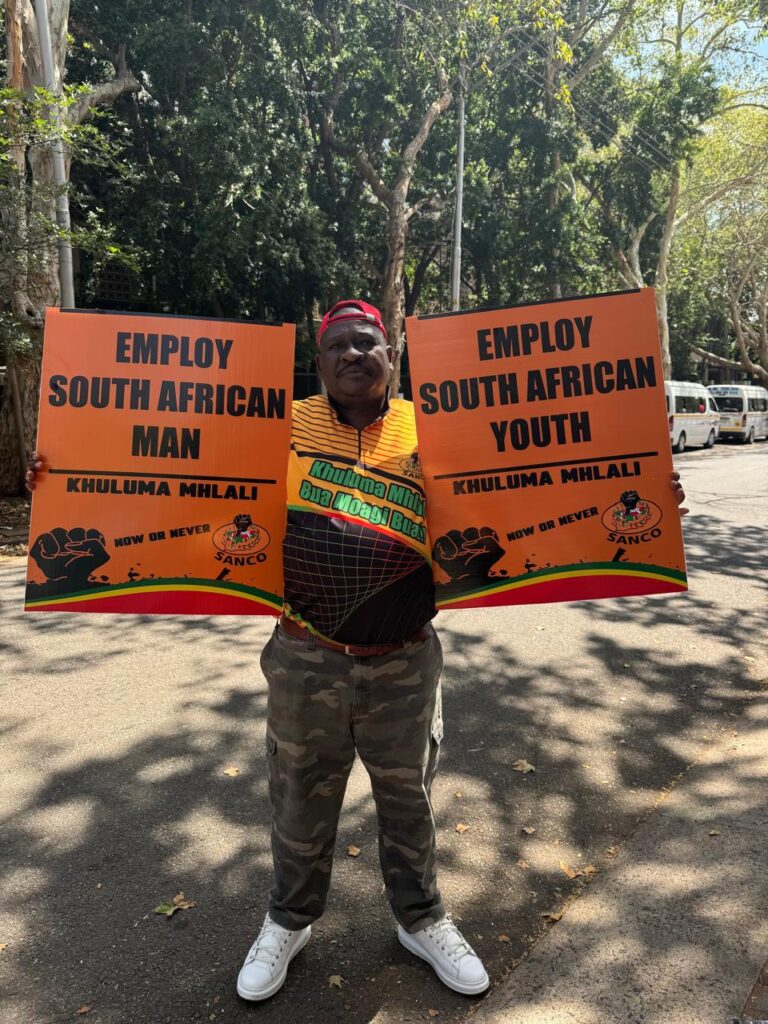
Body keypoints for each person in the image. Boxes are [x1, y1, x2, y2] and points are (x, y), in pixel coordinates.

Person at [26, 299, 689, 1004]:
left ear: (391, 358)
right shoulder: (273, 429)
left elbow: (539, 480)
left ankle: (421, 917)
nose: (352, 356)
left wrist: (646, 491)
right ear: (319, 363)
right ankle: (288, 921)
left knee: (409, 801)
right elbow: (159, 469)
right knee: (298, 801)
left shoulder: (436, 425)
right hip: (305, 652)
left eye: (366, 344)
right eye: (338, 346)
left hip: (406, 656)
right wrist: (64, 479)